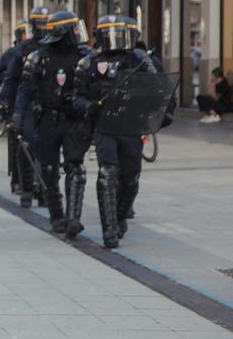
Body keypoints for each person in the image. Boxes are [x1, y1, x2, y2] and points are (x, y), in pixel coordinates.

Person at [73, 14, 173, 248]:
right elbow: (77, 96)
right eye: (110, 36)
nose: (115, 41)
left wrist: (163, 113)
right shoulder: (90, 63)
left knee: (130, 178)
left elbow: (164, 89)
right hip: (105, 127)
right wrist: (87, 106)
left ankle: (119, 218)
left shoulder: (141, 60)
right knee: (107, 174)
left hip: (131, 127)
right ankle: (109, 231)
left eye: (120, 35)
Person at [13, 10, 94, 239]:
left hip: (74, 120)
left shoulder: (85, 55)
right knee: (48, 171)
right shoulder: (38, 58)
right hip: (47, 119)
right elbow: (25, 89)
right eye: (74, 29)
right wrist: (18, 116)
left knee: (75, 168)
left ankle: (73, 218)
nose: (79, 33)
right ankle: (57, 216)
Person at [0, 6, 51, 208]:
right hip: (28, 104)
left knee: (48, 150)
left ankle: (46, 189)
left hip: (49, 105)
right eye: (40, 23)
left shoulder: (55, 49)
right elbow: (12, 80)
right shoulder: (22, 50)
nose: (44, 28)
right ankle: (27, 188)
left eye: (47, 23)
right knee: (26, 147)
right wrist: (3, 104)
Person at [0, 19, 30, 195]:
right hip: (15, 103)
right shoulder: (12, 54)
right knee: (16, 144)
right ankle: (17, 181)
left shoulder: (42, 50)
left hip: (35, 103)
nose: (28, 36)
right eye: (24, 33)